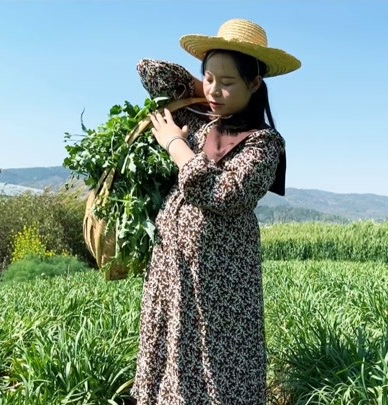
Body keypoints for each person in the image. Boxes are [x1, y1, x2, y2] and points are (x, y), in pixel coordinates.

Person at [131, 18, 301, 404]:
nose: (215, 90)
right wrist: (206, 85)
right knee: (171, 343)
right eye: (209, 78)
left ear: (255, 84)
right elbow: (149, 72)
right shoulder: (202, 119)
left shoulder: (263, 143)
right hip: (174, 269)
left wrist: (176, 145)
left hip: (220, 281)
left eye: (228, 82)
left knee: (216, 358)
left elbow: (226, 194)